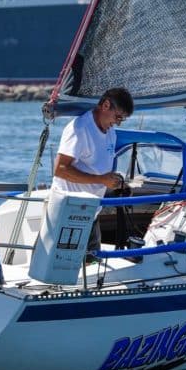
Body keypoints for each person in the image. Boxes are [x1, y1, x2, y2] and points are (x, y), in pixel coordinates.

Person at [51, 88, 134, 259]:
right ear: (105, 105)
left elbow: (100, 168)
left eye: (122, 119)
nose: (118, 123)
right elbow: (60, 169)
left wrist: (116, 182)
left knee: (92, 266)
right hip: (68, 213)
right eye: (118, 117)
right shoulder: (80, 128)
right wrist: (101, 179)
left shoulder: (111, 132)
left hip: (91, 213)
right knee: (61, 267)